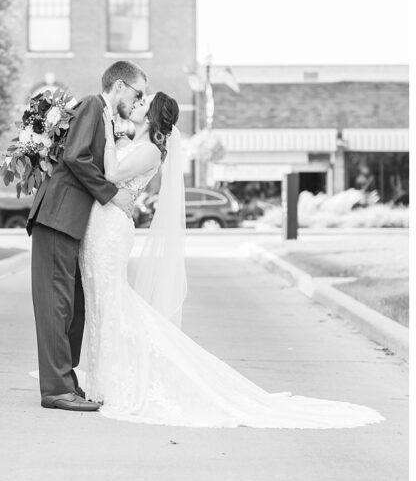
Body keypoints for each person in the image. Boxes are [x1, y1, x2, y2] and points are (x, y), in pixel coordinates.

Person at [78, 92, 382, 428]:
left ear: (151, 118)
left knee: (113, 301)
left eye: (141, 105)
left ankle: (118, 380)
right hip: (102, 223)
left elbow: (111, 172)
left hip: (112, 228)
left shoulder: (149, 151)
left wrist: (106, 132)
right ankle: (103, 380)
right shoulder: (137, 143)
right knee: (102, 302)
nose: (135, 106)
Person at [25, 61, 146, 411]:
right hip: (57, 217)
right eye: (136, 93)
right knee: (55, 306)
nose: (137, 102)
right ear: (120, 85)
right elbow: (77, 158)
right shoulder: (94, 105)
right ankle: (56, 390)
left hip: (70, 221)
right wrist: (112, 193)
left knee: (68, 307)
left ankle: (66, 382)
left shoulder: (106, 117)